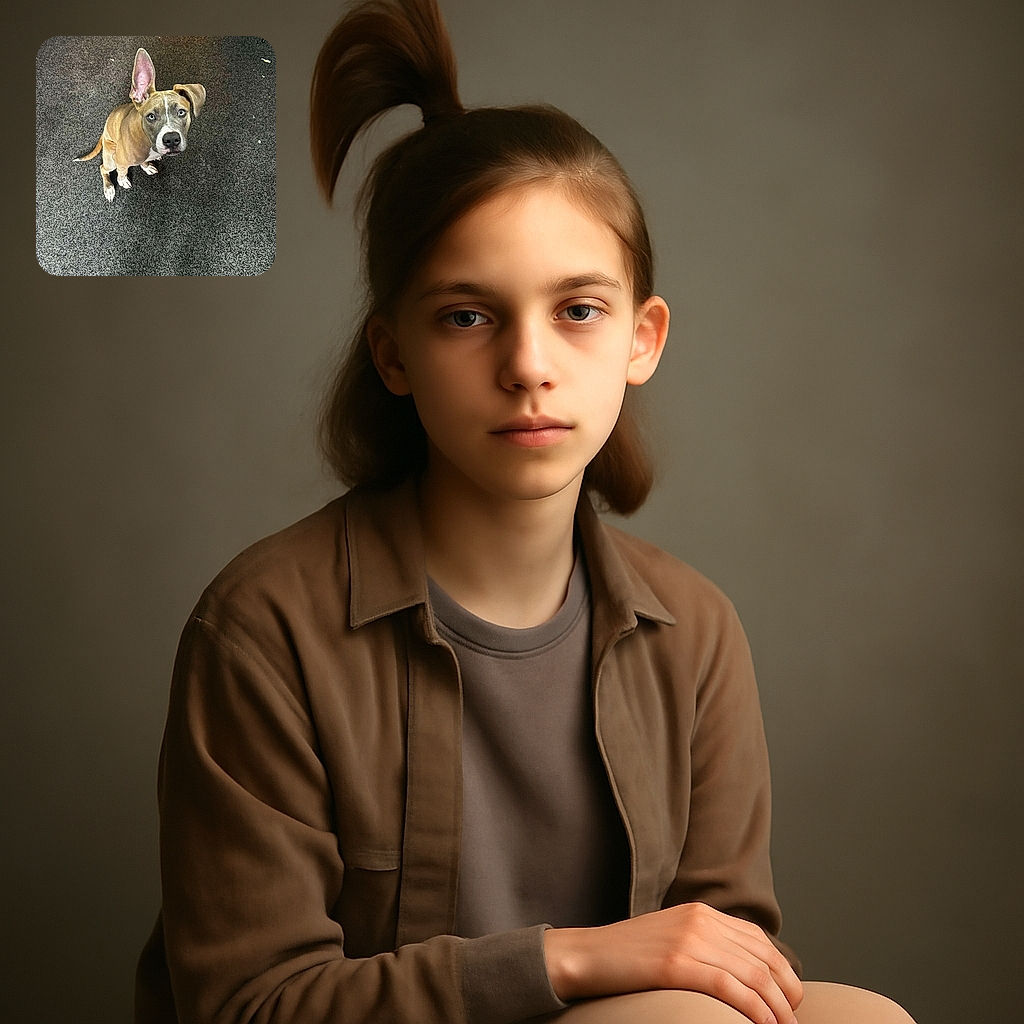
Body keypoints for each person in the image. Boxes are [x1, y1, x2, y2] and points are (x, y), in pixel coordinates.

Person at [134, 1, 916, 1022]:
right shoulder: (263, 630)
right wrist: (568, 959)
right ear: (394, 354)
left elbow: (729, 965)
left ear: (642, 339)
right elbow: (250, 1003)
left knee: (867, 1018)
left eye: (577, 310)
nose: (528, 366)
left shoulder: (696, 632)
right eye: (468, 316)